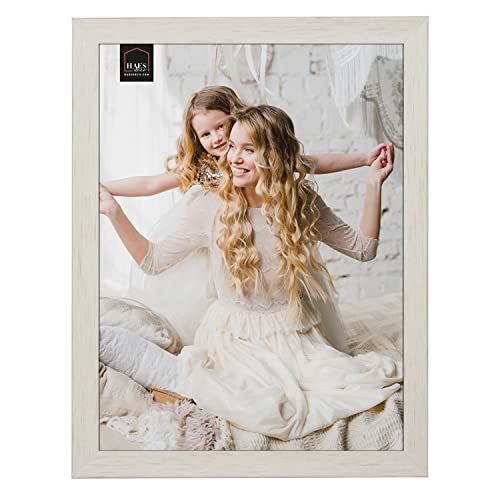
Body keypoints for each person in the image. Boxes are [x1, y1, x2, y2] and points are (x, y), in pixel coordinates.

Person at [99, 105, 402, 441]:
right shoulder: (210, 205)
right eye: (232, 146)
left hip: (294, 333)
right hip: (234, 337)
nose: (234, 158)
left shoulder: (300, 202)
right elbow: (153, 261)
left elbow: (363, 249)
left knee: (339, 386)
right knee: (262, 405)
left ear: (273, 156)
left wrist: (373, 183)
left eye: (248, 149)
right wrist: (114, 212)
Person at [101, 85, 392, 196]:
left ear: (236, 117)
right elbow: (151, 184)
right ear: (196, 138)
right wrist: (104, 188)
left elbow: (312, 163)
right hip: (224, 242)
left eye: (221, 126)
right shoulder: (202, 167)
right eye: (205, 134)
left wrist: (363, 159)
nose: (216, 138)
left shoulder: (259, 157)